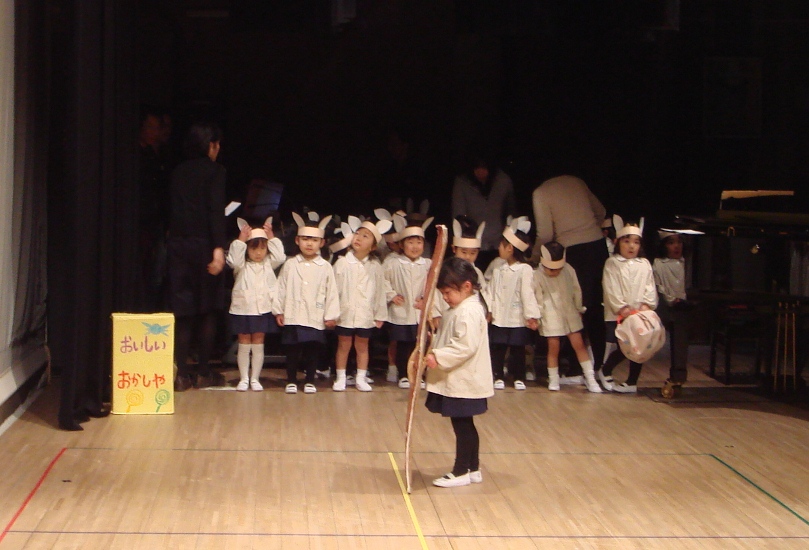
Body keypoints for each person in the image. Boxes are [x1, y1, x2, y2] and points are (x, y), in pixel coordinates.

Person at [531, 175, 609, 387]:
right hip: (597, 246)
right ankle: (599, 367)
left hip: (570, 251)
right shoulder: (576, 181)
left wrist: (535, 257)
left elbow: (545, 234)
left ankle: (576, 369)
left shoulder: (541, 192)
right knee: (595, 308)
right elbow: (601, 211)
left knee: (572, 308)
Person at [168, 121, 228, 391]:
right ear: (210, 145)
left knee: (183, 310)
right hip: (204, 245)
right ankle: (203, 372)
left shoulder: (178, 171)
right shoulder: (215, 171)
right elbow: (215, 211)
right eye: (216, 144)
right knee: (207, 309)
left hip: (179, 246)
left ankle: (180, 374)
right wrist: (218, 248)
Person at [424, 257, 493, 487]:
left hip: (464, 378)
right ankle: (473, 468)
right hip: (461, 378)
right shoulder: (460, 308)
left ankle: (461, 470)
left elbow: (464, 346)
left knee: (463, 426)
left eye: (448, 292)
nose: (445, 297)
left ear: (466, 286)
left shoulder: (468, 311)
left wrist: (437, 357)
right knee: (465, 424)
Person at [274, 212, 340, 394]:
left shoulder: (325, 267)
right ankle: (291, 380)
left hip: (314, 314)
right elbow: (281, 287)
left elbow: (331, 292)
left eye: (314, 240)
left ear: (322, 243)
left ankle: (310, 380)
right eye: (305, 239)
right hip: (293, 313)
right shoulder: (290, 264)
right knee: (292, 349)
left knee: (312, 348)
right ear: (297, 241)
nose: (309, 244)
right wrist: (279, 310)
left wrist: (331, 315)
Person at [598, 216, 658, 393]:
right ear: (619, 243)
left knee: (640, 345)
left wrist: (646, 305)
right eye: (627, 241)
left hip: (639, 314)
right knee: (625, 345)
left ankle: (632, 381)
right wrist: (622, 308)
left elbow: (649, 285)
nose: (631, 246)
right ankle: (605, 369)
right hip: (619, 313)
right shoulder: (613, 263)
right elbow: (611, 287)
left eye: (636, 242)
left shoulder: (644, 264)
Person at [332, 216, 392, 392]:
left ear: (373, 246)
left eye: (365, 236)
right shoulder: (342, 263)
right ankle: (341, 377)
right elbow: (333, 290)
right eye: (357, 234)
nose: (359, 238)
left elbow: (380, 292)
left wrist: (380, 314)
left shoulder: (375, 266)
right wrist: (331, 312)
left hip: (365, 313)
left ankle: (361, 377)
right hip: (345, 312)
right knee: (343, 345)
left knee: (362, 346)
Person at [226, 217, 285, 391]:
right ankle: (244, 378)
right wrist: (241, 240)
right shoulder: (241, 266)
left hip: (262, 309)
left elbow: (280, 256)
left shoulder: (269, 263)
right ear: (247, 249)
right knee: (244, 344)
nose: (258, 252)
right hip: (243, 309)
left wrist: (271, 237)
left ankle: (255, 378)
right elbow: (233, 260)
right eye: (253, 248)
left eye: (262, 248)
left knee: (258, 343)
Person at [534, 242, 602, 393]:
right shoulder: (537, 275)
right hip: (550, 314)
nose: (555, 272)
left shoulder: (568, 269)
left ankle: (590, 377)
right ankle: (553, 378)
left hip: (570, 311)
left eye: (558, 268)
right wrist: (537, 317)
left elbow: (577, 290)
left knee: (579, 344)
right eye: (551, 269)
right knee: (553, 347)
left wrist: (579, 308)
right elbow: (538, 298)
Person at [483, 216, 540, 390]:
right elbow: (491, 291)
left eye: (502, 245)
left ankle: (519, 376)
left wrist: (531, 315)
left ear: (510, 248)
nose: (499, 248)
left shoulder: (525, 269)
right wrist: (489, 310)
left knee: (518, 348)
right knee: (498, 347)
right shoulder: (498, 269)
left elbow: (528, 293)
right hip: (499, 316)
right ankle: (498, 375)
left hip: (517, 316)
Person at [385, 215, 434, 388]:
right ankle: (403, 375)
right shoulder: (393, 263)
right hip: (401, 310)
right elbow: (383, 281)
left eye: (418, 242)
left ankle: (418, 374)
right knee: (403, 344)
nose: (415, 247)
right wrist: (391, 295)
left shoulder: (428, 264)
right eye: (410, 242)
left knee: (419, 344)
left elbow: (434, 285)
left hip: (419, 311)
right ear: (402, 244)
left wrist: (426, 298)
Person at [451, 148, 516, 270]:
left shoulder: (503, 181)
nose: (480, 171)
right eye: (477, 167)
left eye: (484, 167)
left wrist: (506, 240)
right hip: (472, 246)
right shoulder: (462, 182)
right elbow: (459, 216)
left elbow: (510, 212)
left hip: (499, 244)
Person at [654, 230, 690, 397]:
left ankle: (678, 377)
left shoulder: (687, 264)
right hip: (664, 305)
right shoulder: (659, 264)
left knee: (681, 337)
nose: (676, 246)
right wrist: (671, 299)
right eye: (671, 243)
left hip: (683, 305)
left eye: (679, 242)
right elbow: (659, 285)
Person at [431, 216, 487, 322]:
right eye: (464, 252)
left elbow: (483, 294)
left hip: (469, 316)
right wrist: (435, 314)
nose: (468, 257)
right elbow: (437, 293)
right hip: (446, 315)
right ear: (454, 248)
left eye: (473, 253)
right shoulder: (446, 270)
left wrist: (487, 311)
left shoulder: (477, 273)